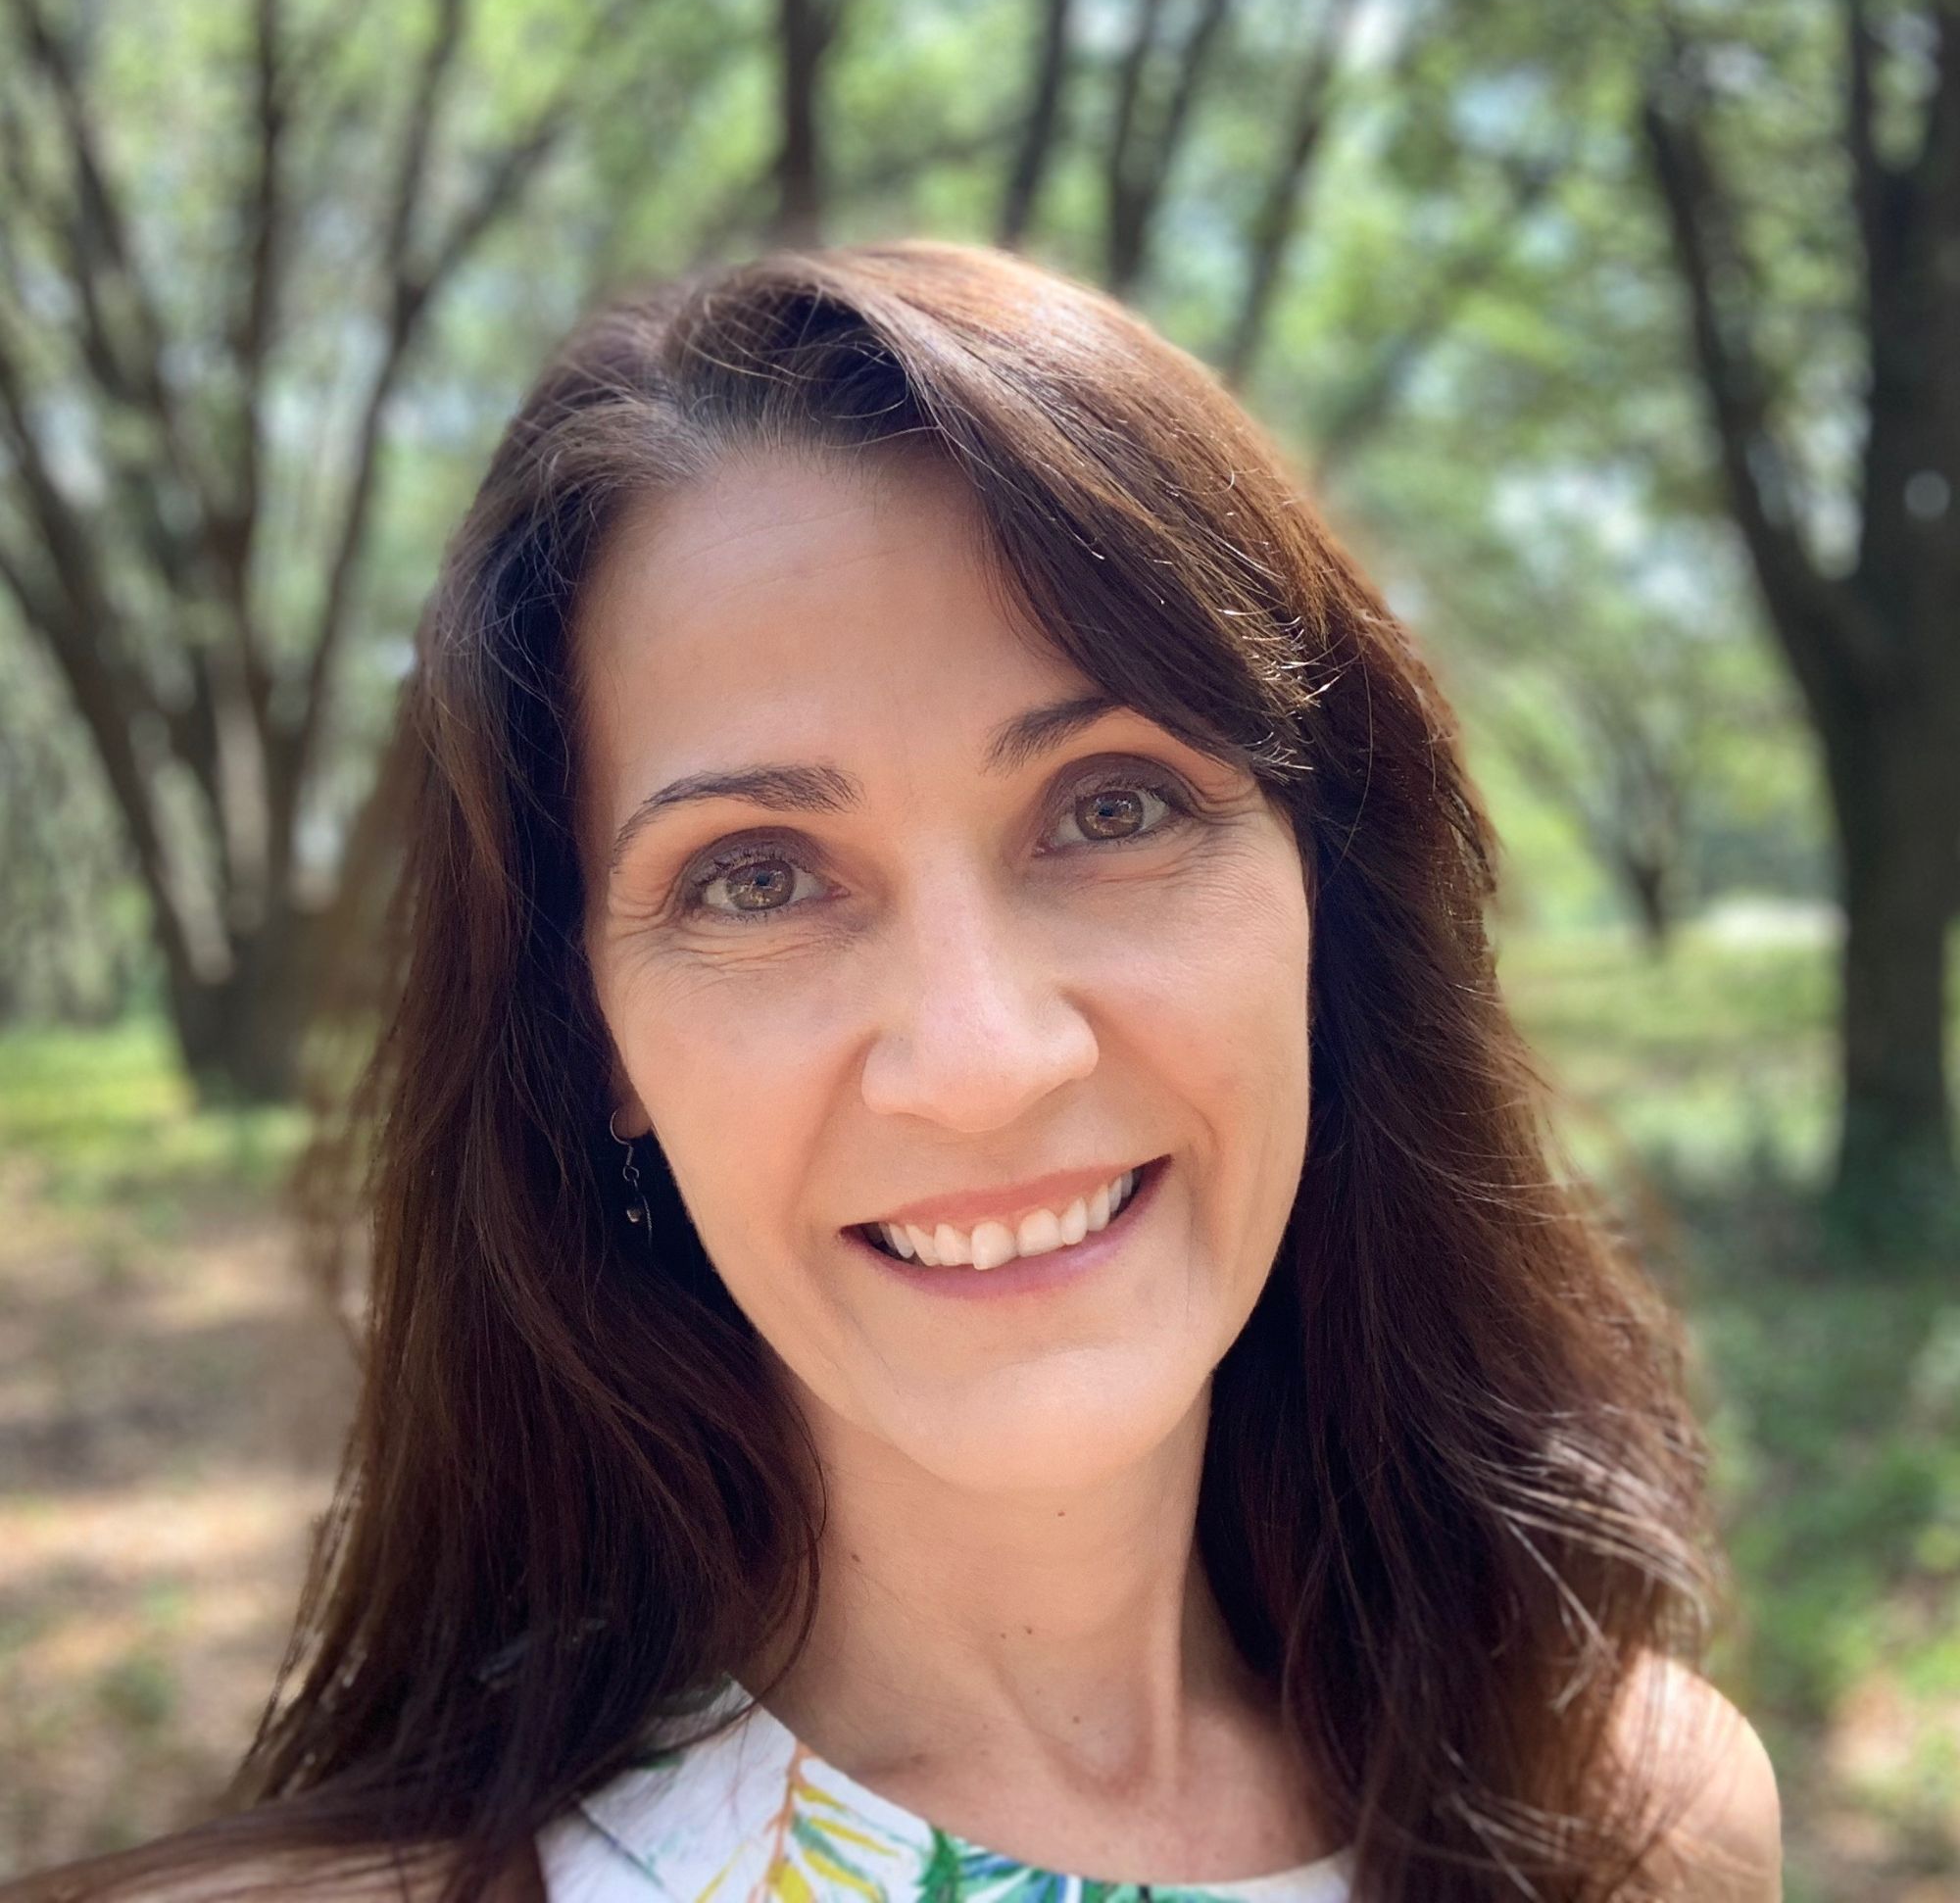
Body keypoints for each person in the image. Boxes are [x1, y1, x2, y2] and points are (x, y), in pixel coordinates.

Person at [9, 239, 1781, 1903]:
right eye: (756, 877)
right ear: (594, 1041)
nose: (985, 1060)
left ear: (1325, 898)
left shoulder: (1635, 1823)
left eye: (1114, 806)